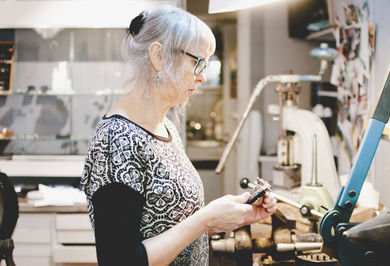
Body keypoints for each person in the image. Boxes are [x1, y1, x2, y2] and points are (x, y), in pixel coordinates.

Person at [80, 5, 276, 266]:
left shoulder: (166, 127)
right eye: (198, 62)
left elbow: (173, 227)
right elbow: (120, 260)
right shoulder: (118, 140)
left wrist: (225, 215)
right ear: (158, 56)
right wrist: (204, 220)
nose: (203, 76)